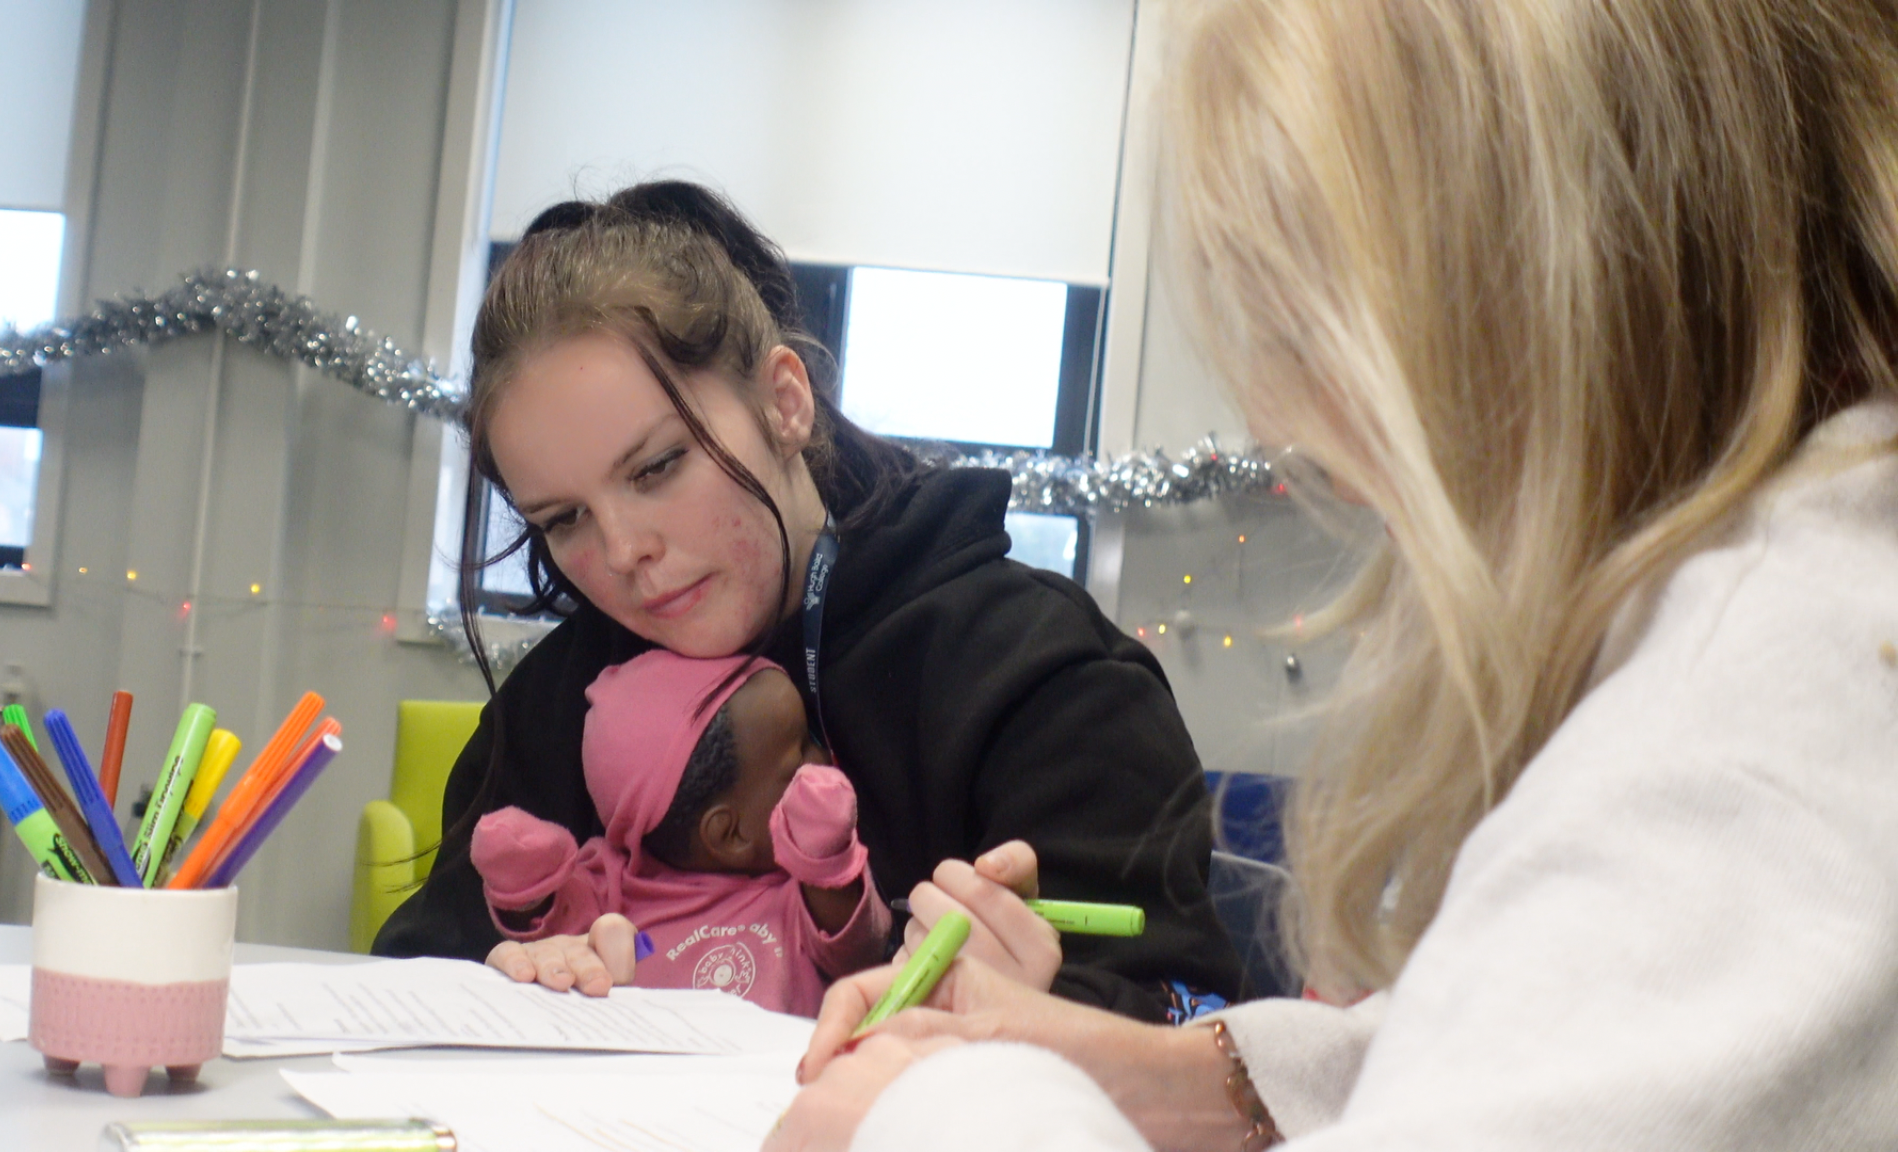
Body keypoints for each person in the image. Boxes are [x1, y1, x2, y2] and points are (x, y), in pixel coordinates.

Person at [766, 0, 1898, 1148]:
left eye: (1313, 319)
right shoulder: (1798, 600)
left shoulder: (1763, 717)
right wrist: (1146, 1075)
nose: (1285, 425)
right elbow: (1524, 1037)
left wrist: (940, 1116)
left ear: (1551, 293)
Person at [372, 180, 1245, 1023]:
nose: (621, 551)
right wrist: (508, 981)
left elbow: (1192, 1030)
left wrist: (1034, 1022)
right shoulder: (559, 704)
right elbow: (415, 981)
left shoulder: (1041, 671)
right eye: (564, 519)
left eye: (655, 467)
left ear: (784, 402)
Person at [470, 649, 889, 1016]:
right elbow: (556, 929)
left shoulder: (796, 897)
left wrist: (824, 858)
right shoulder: (611, 882)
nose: (824, 754)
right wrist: (529, 884)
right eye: (801, 750)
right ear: (730, 835)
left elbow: (857, 946)